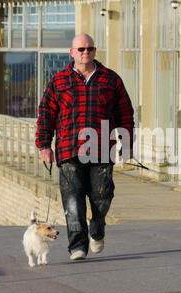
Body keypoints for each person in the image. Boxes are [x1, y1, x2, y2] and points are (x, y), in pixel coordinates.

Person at [35, 34, 134, 261]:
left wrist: (126, 143)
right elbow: (46, 115)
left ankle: (97, 228)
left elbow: (125, 113)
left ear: (95, 51)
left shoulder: (111, 80)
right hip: (69, 151)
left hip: (102, 151)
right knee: (73, 202)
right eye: (80, 49)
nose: (85, 53)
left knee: (103, 196)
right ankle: (77, 246)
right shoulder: (59, 81)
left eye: (89, 49)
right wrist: (44, 145)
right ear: (72, 52)